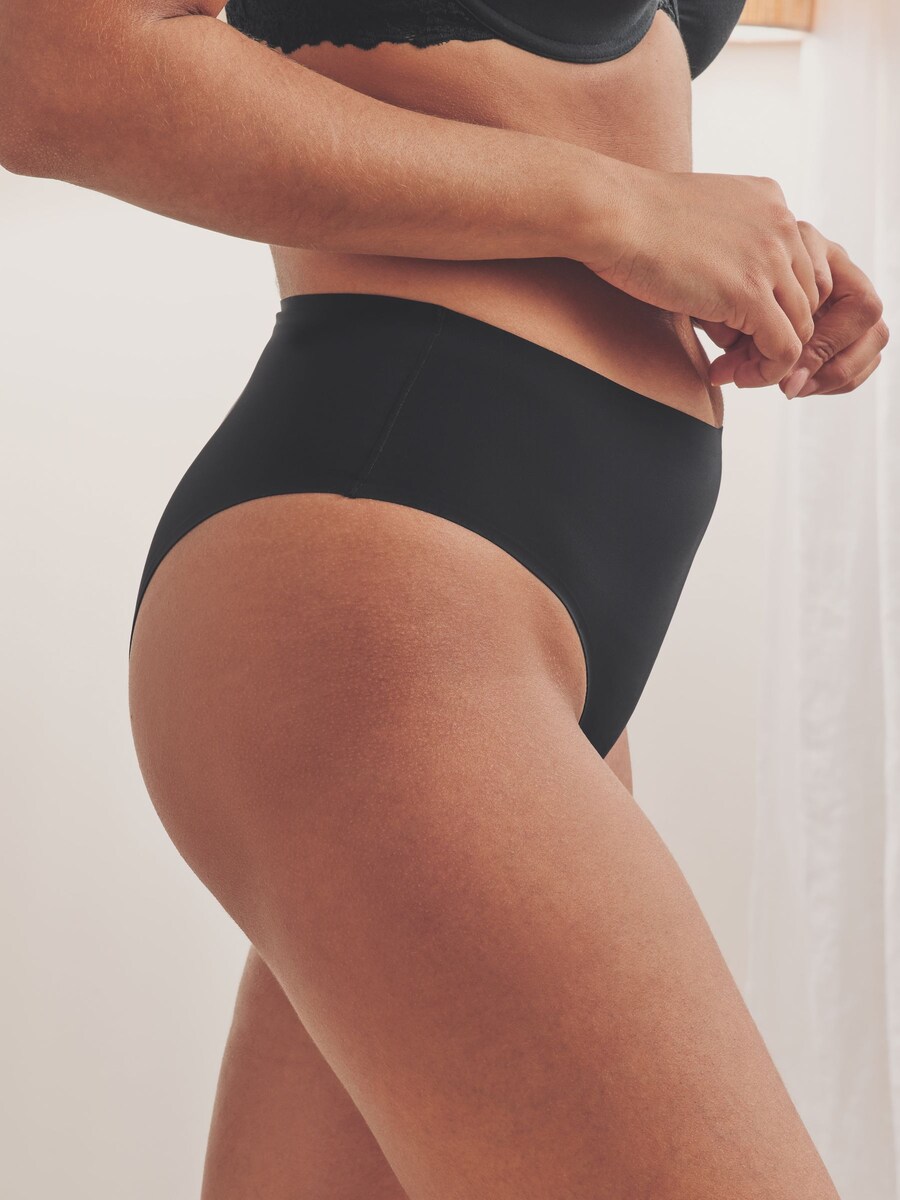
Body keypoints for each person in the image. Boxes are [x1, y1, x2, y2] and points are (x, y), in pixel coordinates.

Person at [2, 0, 889, 1195]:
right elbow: (55, 70)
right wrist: (622, 207)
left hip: (517, 616)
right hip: (394, 591)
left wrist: (748, 255)